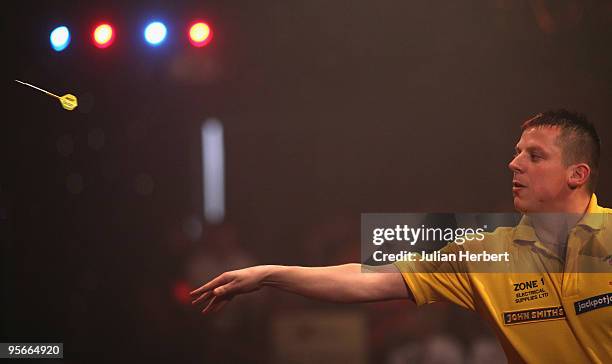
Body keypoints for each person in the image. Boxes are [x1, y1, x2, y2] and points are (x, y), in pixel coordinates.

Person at [190, 110, 611, 363]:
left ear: (578, 174)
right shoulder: (487, 255)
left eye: (534, 155)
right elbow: (369, 278)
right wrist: (269, 273)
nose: (514, 164)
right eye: (517, 152)